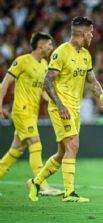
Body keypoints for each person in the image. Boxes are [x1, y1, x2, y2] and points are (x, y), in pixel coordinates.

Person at [27, 16, 103, 203]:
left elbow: (92, 80)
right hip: (61, 108)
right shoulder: (61, 52)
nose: (92, 35)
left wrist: (102, 97)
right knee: (73, 145)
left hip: (75, 108)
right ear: (82, 33)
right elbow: (47, 81)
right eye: (90, 32)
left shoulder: (86, 55)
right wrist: (60, 105)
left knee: (62, 152)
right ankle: (69, 193)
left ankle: (35, 182)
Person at [0, 32, 63, 196]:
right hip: (21, 110)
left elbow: (43, 91)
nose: (51, 47)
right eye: (49, 44)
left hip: (32, 113)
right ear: (41, 45)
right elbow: (5, 82)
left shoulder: (44, 65)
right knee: (36, 144)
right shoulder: (22, 61)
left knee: (15, 151)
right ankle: (42, 185)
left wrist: (57, 105)